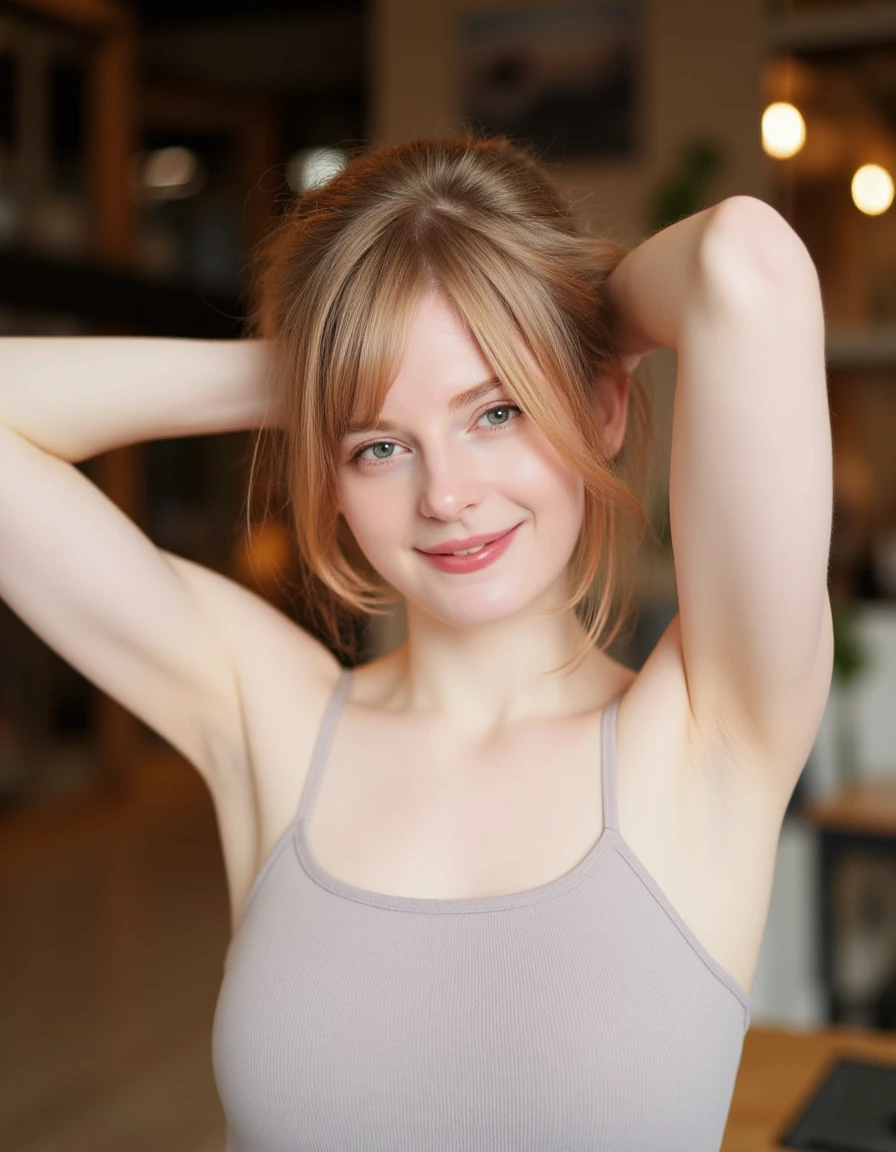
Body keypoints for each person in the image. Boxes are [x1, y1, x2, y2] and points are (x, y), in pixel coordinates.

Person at [0, 135, 833, 1151]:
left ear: (601, 405)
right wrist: (316, 371)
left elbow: (742, 265)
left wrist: (549, 319)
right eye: (379, 444)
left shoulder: (709, 728)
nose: (445, 494)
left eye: (496, 409)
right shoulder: (270, 714)